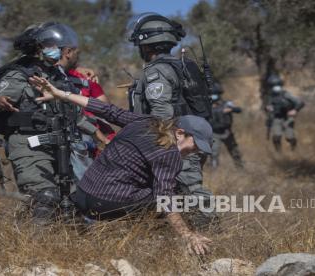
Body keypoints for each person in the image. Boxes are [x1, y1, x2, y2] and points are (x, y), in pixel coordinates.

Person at [30, 75, 213, 256]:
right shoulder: (169, 154)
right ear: (180, 133)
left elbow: (107, 110)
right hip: (106, 203)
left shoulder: (146, 122)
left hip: (83, 193)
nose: (195, 151)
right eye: (195, 145)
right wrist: (187, 234)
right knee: (179, 196)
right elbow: (164, 197)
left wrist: (62, 94)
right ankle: (158, 250)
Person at [0, 22, 97, 222]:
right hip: (29, 144)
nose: (60, 53)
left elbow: (75, 114)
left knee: (73, 201)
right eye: (52, 48)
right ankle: (32, 246)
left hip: (59, 145)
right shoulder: (20, 74)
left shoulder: (57, 77)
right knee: (44, 197)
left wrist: (100, 137)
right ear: (39, 50)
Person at [126, 12, 214, 226]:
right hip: (190, 137)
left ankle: (211, 235)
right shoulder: (185, 66)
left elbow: (161, 111)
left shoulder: (158, 71)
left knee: (192, 192)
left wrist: (162, 147)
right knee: (177, 192)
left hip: (174, 142)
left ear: (146, 45)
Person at [265, 74, 305, 152]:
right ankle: (279, 153)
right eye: (273, 85)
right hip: (276, 118)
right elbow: (268, 106)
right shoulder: (270, 96)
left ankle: (294, 150)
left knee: (289, 137)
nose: (275, 87)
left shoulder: (286, 94)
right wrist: (268, 108)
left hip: (287, 118)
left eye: (276, 85)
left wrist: (295, 110)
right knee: (276, 137)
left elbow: (300, 103)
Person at [209, 82, 243, 169]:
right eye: (212, 94)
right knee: (214, 153)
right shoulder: (206, 106)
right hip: (214, 133)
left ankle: (240, 168)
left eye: (215, 94)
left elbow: (239, 110)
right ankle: (214, 172)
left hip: (227, 132)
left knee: (235, 152)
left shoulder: (227, 104)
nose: (214, 96)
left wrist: (231, 109)